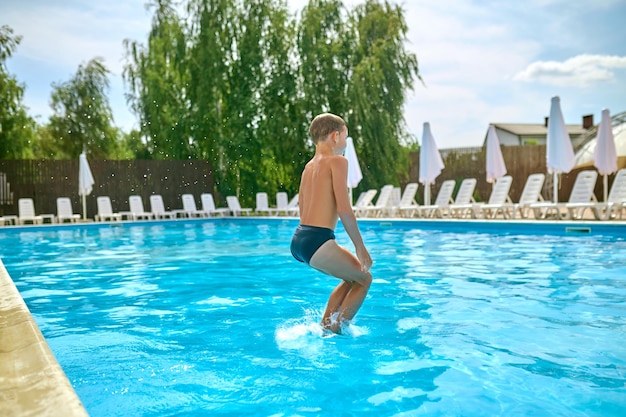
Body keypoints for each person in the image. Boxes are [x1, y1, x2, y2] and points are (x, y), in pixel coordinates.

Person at [290, 113, 373, 334]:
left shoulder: (308, 168)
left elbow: (302, 204)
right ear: (335, 136)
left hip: (300, 240)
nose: (345, 144)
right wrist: (360, 247)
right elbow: (344, 208)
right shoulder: (338, 161)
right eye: (345, 138)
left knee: (351, 278)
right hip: (318, 239)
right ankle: (337, 331)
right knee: (364, 279)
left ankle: (326, 327)